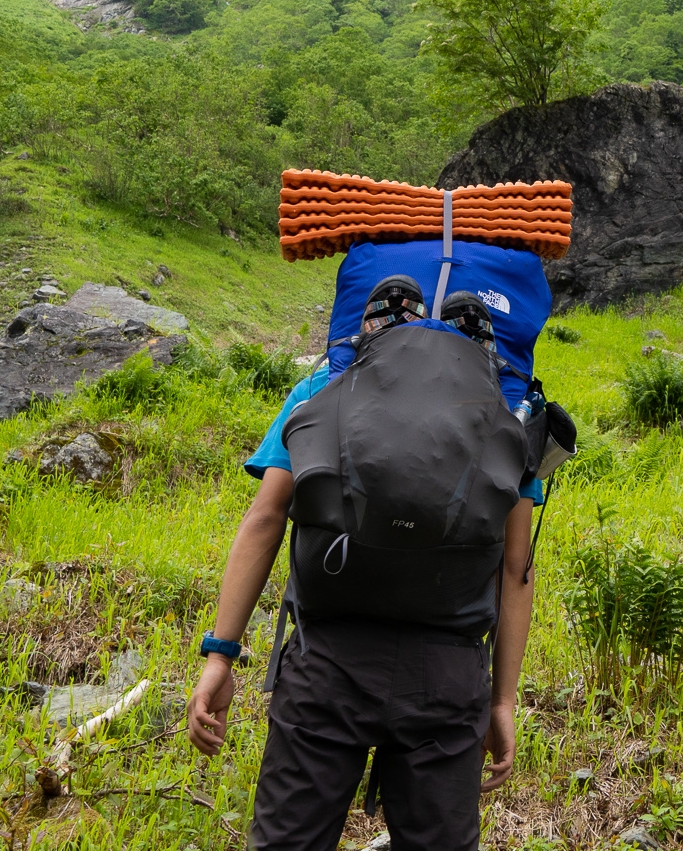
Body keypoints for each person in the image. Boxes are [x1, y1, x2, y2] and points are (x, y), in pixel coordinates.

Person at [187, 238, 554, 851]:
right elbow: (516, 568)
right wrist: (503, 700)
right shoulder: (510, 417)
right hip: (449, 671)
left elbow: (265, 518)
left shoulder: (322, 392)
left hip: (327, 661)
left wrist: (220, 654)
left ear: (366, 329)